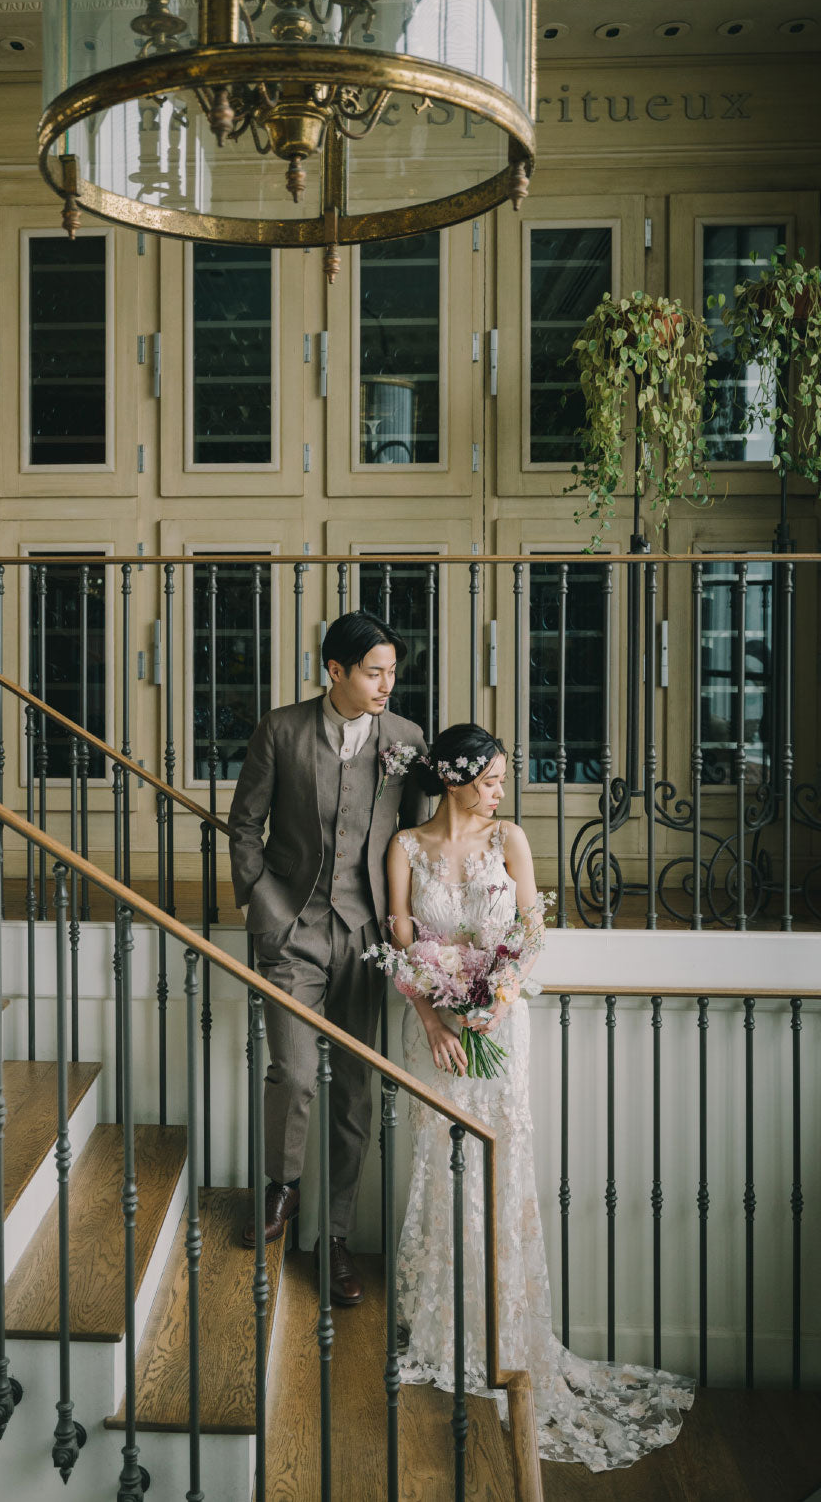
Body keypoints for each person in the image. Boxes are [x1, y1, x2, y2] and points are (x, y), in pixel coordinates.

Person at [387, 722, 694, 1471]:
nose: (499, 789)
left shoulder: (511, 840)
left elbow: (531, 929)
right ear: (455, 778)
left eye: (499, 779)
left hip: (500, 1026)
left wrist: (501, 994)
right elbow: (399, 937)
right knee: (443, 1163)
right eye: (489, 777)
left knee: (503, 1163)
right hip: (439, 1034)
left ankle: (510, 1332)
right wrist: (432, 1013)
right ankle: (442, 1333)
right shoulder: (406, 847)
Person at [228, 610, 428, 1305]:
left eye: (392, 672)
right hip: (294, 931)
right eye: (374, 672)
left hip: (369, 934)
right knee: (294, 1071)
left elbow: (415, 837)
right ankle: (282, 1186)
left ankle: (335, 1237)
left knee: (354, 1090)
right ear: (335, 671)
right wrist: (266, 909)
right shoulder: (281, 730)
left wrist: (408, 923)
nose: (386, 685)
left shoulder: (405, 739)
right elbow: (245, 824)